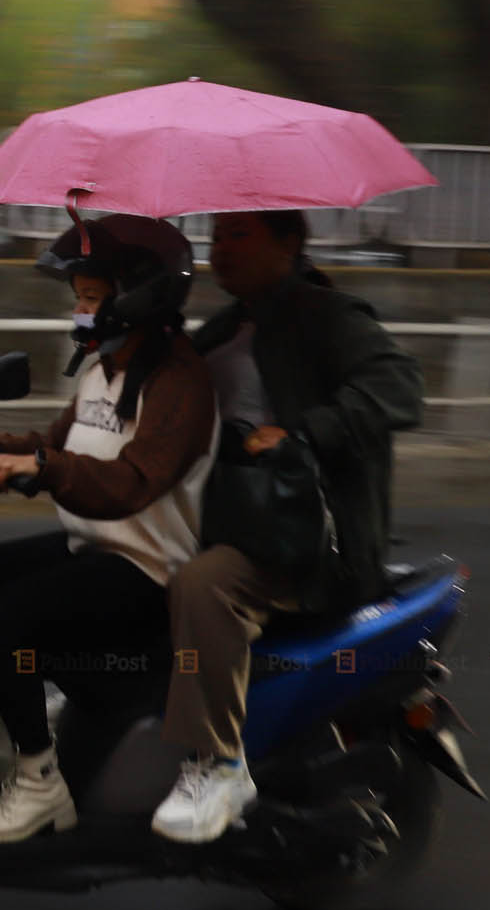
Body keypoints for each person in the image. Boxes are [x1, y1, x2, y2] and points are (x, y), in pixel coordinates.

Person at [0, 213, 218, 844]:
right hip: (89, 545)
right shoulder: (102, 366)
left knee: (3, 618)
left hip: (148, 569)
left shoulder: (179, 382)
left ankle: (40, 784)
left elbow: (130, 481)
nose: (82, 310)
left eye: (93, 296)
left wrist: (40, 467)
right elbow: (57, 446)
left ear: (137, 297)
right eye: (79, 298)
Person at [150, 209, 425, 845]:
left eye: (238, 235)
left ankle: (218, 763)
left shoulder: (325, 315)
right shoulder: (225, 325)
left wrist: (306, 434)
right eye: (215, 237)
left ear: (290, 242)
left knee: (203, 584)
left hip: (306, 541)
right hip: (235, 519)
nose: (220, 249)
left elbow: (402, 386)